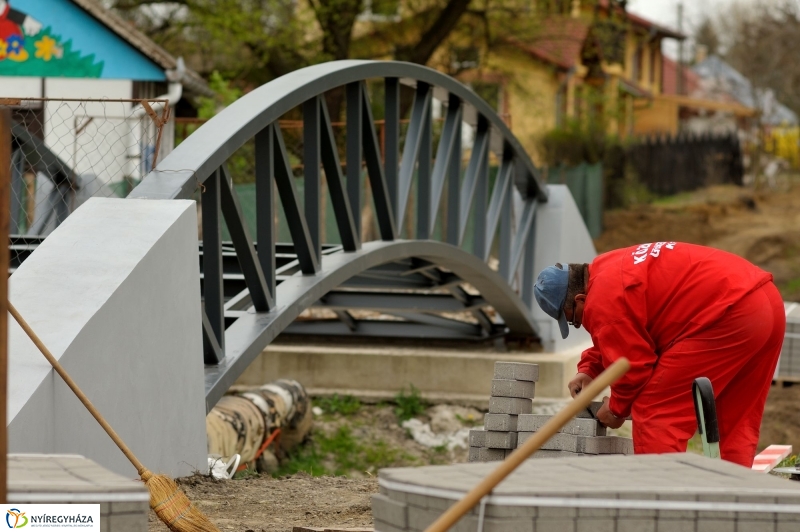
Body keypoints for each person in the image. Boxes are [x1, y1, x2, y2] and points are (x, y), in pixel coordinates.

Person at [533, 242, 785, 467]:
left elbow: (633, 367)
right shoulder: (607, 269)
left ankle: (662, 504)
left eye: (575, 320)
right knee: (736, 416)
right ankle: (736, 498)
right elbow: (623, 329)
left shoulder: (602, 300)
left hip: (730, 314)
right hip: (765, 302)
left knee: (655, 411)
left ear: (579, 299)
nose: (580, 324)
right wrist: (589, 369)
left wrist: (617, 409)